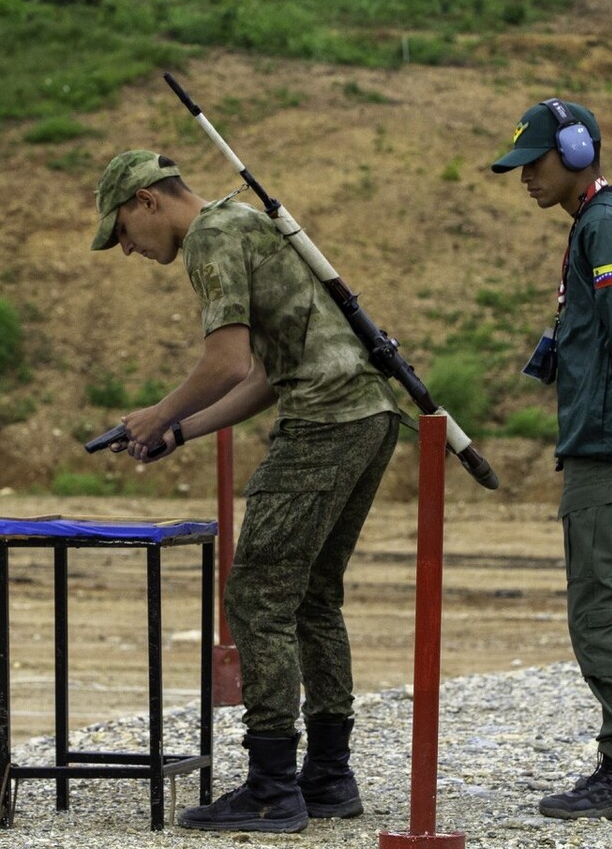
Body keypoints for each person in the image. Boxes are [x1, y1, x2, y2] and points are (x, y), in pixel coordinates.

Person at [88, 149, 401, 833]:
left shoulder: (208, 237)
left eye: (122, 232)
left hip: (323, 424)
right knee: (313, 593)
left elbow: (225, 361)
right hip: (369, 415)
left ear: (146, 201)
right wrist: (184, 431)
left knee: (257, 595)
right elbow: (264, 373)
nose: (126, 250)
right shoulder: (247, 223)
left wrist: (158, 411)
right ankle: (326, 775)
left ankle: (270, 786)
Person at [490, 100, 612, 820]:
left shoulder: (602, 226)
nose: (525, 179)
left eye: (534, 164)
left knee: (600, 608)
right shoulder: (610, 220)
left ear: (577, 154)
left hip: (607, 440)